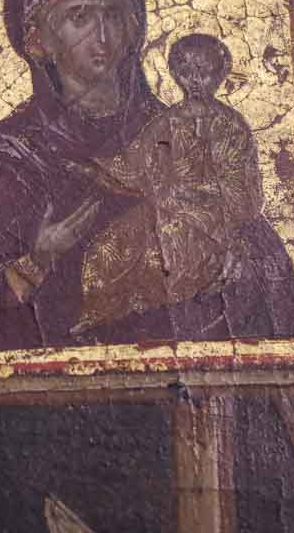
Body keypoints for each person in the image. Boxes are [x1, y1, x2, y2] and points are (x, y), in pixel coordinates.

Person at [0, 0, 294, 355]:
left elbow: (248, 226)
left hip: (191, 356)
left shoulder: (183, 132)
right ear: (37, 40)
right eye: (79, 17)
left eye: (113, 15)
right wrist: (36, 261)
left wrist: (240, 255)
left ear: (133, 31)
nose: (102, 35)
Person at [72, 33, 266, 335]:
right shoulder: (167, 121)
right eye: (187, 71)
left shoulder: (231, 125)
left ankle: (178, 300)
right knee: (108, 244)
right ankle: (99, 312)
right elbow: (137, 163)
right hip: (165, 206)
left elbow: (241, 183)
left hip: (212, 215)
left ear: (220, 74)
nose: (195, 80)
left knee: (164, 252)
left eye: (204, 71)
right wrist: (95, 169)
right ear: (176, 74)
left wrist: (201, 195)